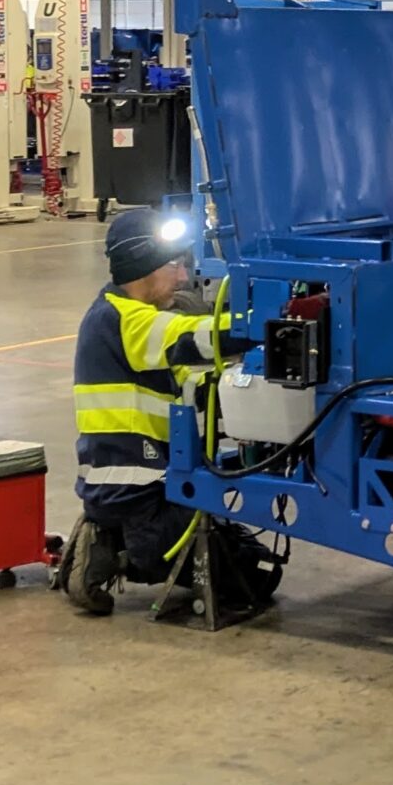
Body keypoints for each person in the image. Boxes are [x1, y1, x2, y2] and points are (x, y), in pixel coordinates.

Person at [57, 207, 284, 618]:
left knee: (250, 567)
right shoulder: (123, 321)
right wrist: (274, 325)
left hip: (139, 488)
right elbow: (193, 338)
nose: (183, 277)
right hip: (140, 495)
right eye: (175, 265)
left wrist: (241, 387)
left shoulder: (126, 319)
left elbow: (189, 381)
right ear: (143, 267)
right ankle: (118, 550)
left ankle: (108, 536)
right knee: (254, 575)